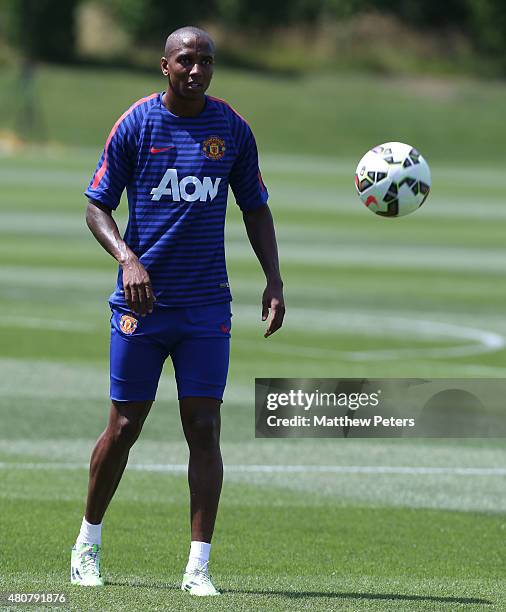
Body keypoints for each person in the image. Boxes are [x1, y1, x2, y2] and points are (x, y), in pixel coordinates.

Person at [70, 26, 285, 596]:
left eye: (206, 61)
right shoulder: (137, 124)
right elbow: (96, 206)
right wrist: (127, 259)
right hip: (142, 306)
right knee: (124, 426)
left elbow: (255, 209)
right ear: (164, 65)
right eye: (186, 60)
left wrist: (273, 278)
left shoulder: (231, 129)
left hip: (206, 306)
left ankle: (198, 567)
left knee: (205, 427)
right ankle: (86, 545)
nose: (197, 70)